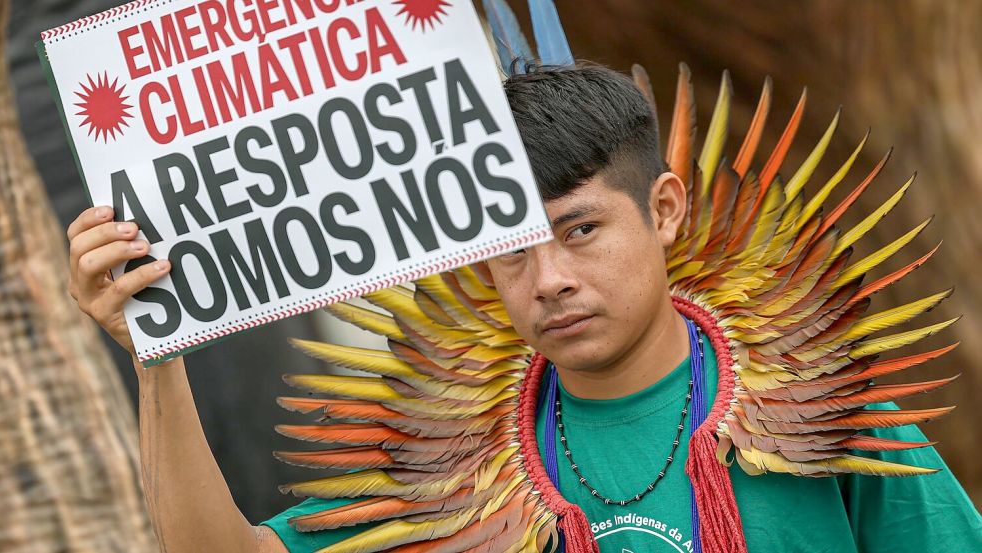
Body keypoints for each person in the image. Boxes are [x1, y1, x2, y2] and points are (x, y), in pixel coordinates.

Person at [67, 63, 982, 552]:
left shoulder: (828, 419)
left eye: (579, 230)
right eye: (509, 250)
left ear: (664, 210)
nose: (545, 278)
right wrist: (158, 349)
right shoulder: (442, 476)